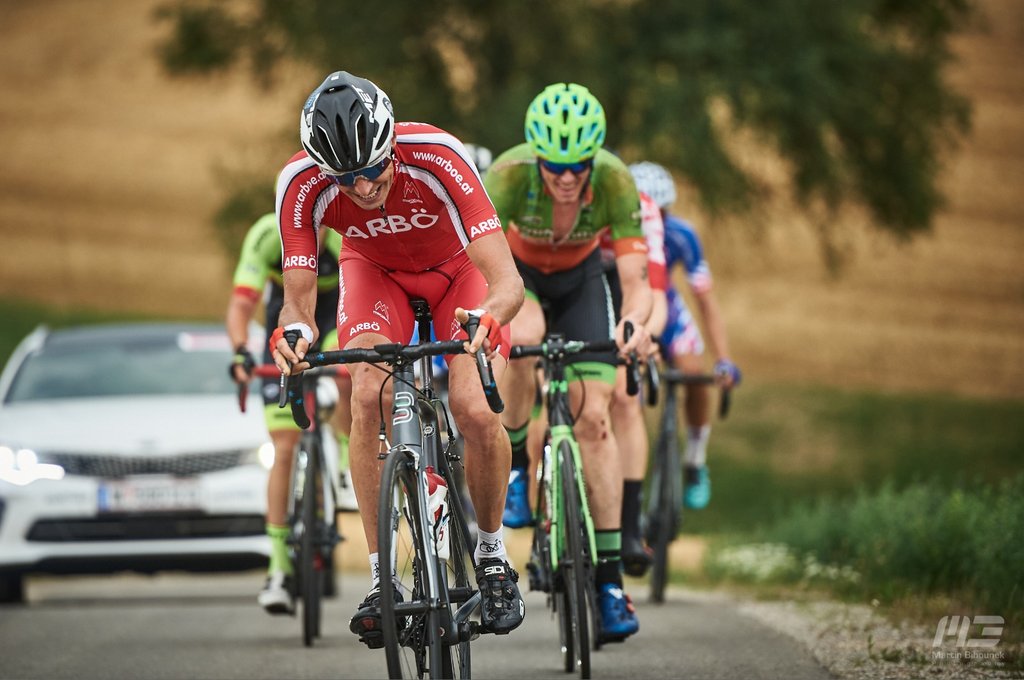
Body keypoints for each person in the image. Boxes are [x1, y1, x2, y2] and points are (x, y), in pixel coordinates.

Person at [269, 71, 526, 645]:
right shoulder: (300, 184)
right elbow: (299, 299)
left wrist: (489, 318)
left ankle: (491, 556)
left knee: (474, 407)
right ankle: (385, 577)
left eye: (371, 169)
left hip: (459, 275)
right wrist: (294, 334)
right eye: (345, 177)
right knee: (367, 395)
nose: (361, 188)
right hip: (373, 274)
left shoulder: (438, 155)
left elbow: (506, 282)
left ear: (389, 144)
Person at [485, 82, 652, 642]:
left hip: (582, 282)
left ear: (593, 158)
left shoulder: (614, 180)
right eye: (554, 165)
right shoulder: (507, 176)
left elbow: (635, 282)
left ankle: (608, 584)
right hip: (520, 277)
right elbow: (477, 260)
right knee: (527, 332)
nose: (565, 176)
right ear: (537, 157)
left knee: (596, 421)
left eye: (577, 165)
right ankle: (513, 466)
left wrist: (635, 325)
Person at [226, 211, 355, 615]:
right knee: (283, 449)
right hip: (286, 322)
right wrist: (240, 351)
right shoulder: (264, 236)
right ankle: (278, 565)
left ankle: (350, 458)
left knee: (349, 376)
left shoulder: (339, 236)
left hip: (337, 316)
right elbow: (241, 304)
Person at [627, 161, 742, 511]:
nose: (652, 221)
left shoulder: (682, 235)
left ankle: (695, 459)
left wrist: (723, 359)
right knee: (626, 394)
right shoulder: (617, 233)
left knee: (693, 373)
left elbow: (705, 301)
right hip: (630, 306)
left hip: (669, 310)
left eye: (659, 213)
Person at [598, 192, 670, 577]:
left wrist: (643, 337)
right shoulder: (559, 203)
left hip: (626, 290)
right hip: (572, 283)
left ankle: (629, 524)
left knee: (626, 395)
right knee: (550, 381)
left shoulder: (640, 208)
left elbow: (655, 294)